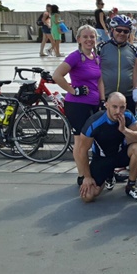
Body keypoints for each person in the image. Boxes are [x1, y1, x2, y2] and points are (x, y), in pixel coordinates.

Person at [53, 25, 103, 183]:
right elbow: (57, 75)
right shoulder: (75, 57)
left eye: (92, 37)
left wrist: (102, 100)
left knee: (90, 140)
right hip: (77, 105)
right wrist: (73, 90)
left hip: (94, 104)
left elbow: (99, 80)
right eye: (85, 37)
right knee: (80, 142)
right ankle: (82, 175)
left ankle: (90, 172)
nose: (89, 40)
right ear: (79, 39)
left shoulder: (95, 57)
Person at [76, 92, 137, 202]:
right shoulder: (95, 122)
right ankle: (109, 175)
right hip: (102, 159)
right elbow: (82, 151)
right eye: (114, 107)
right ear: (106, 105)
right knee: (88, 196)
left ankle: (131, 186)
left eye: (122, 107)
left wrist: (125, 130)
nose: (118, 111)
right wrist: (87, 177)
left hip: (120, 155)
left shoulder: (128, 116)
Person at [97, 14, 137, 113]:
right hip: (107, 96)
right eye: (119, 30)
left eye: (126, 31)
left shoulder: (133, 50)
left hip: (127, 97)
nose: (122, 33)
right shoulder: (101, 48)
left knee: (128, 127)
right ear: (112, 30)